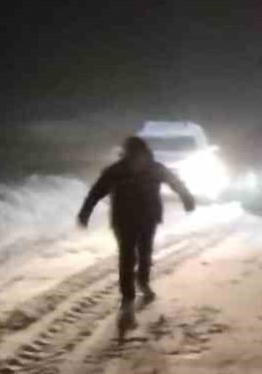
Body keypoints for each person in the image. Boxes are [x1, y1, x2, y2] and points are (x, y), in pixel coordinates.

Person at [78, 136, 195, 330]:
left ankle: (143, 282)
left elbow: (176, 183)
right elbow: (96, 192)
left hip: (148, 219)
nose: (136, 160)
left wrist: (187, 198)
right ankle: (128, 301)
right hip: (123, 221)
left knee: (145, 253)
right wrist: (85, 212)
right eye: (133, 156)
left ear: (145, 154)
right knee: (126, 258)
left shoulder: (155, 168)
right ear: (127, 155)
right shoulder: (116, 171)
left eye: (139, 156)